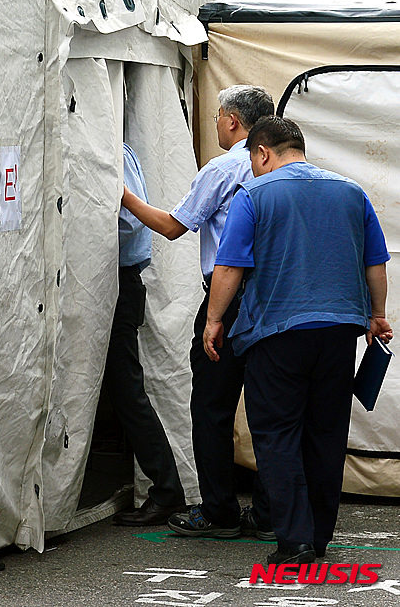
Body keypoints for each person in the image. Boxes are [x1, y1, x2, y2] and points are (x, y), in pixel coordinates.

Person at [204, 116, 393, 565]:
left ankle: (295, 543)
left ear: (262, 152)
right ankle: (320, 537)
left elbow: (230, 267)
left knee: (277, 435)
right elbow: (375, 263)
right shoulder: (351, 192)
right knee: (326, 434)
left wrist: (214, 320)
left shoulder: (254, 195)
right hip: (339, 333)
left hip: (276, 333)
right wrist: (377, 314)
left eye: (252, 160)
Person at [122, 85, 275, 539]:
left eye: (217, 117)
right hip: (273, 298)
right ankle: (268, 515)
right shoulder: (283, 165)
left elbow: (172, 226)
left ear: (231, 120)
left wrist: (122, 194)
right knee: (271, 408)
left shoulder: (225, 166)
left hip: (226, 299)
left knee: (212, 405)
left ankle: (218, 512)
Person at [110, 143, 186, 527]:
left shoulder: (115, 152)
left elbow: (131, 221)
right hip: (110, 280)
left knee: (127, 388)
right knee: (122, 388)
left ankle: (167, 490)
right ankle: (167, 488)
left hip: (117, 280)